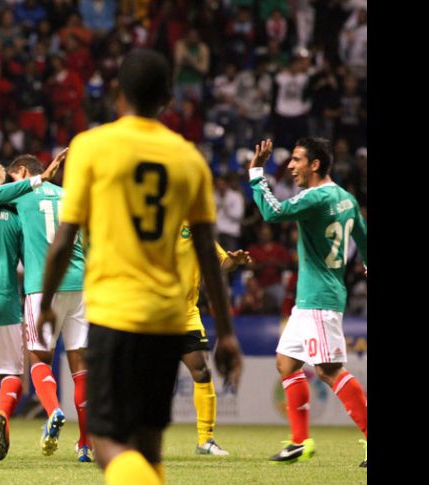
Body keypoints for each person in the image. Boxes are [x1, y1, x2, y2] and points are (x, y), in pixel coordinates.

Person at [37, 48, 242, 485]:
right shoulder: (189, 159)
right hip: (168, 318)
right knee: (149, 443)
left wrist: (46, 305)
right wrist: (225, 331)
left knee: (107, 442)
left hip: (114, 311)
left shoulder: (92, 147)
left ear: (118, 93)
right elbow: (208, 253)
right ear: (168, 98)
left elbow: (63, 239)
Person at [248, 138, 367, 467]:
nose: (290, 165)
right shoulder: (345, 198)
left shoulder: (315, 198)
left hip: (319, 298)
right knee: (287, 364)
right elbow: (363, 234)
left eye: (297, 160)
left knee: (329, 370)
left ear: (315, 165)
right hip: (312, 298)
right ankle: (300, 442)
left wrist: (256, 172)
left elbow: (272, 212)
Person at [0, 150, 66, 463]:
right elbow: (24, 258)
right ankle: (2, 412)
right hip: (4, 301)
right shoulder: (16, 217)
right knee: (11, 374)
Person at [7, 154, 92, 462]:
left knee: (39, 358)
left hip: (44, 286)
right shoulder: (69, 196)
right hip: (80, 283)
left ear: (22, 172)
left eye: (12, 177)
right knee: (80, 366)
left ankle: (54, 410)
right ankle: (85, 444)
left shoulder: (21, 195)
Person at [176, 222, 252, 456]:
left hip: (187, 315)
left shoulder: (195, 225)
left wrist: (235, 261)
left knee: (201, 371)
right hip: (152, 313)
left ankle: (205, 440)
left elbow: (221, 262)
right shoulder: (151, 218)